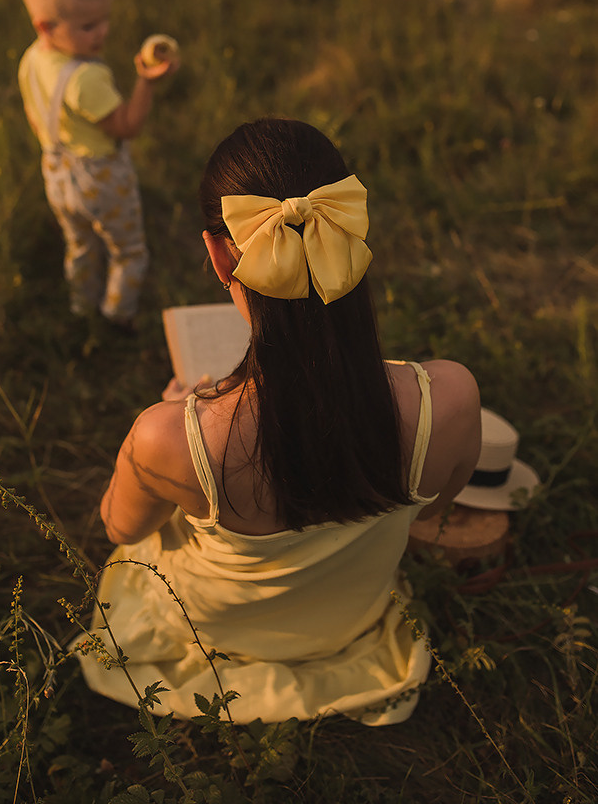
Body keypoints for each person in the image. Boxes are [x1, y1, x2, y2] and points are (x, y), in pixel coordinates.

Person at [76, 118, 481, 725]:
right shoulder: (450, 398)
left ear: (218, 255)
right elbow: (436, 503)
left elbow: (120, 527)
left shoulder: (167, 437)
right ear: (353, 231)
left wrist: (182, 423)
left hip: (212, 629)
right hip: (351, 621)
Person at [18, 0, 179, 328]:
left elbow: (35, 115)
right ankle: (116, 318)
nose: (102, 32)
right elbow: (127, 126)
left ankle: (80, 305)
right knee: (128, 252)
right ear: (46, 26)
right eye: (89, 26)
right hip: (102, 180)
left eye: (104, 19)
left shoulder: (33, 59)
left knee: (80, 244)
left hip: (56, 173)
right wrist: (146, 83)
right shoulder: (87, 77)